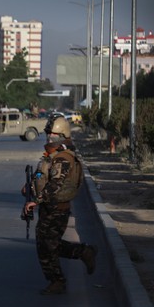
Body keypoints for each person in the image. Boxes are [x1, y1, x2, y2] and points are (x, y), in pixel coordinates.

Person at [22, 115, 97, 295]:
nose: (49, 138)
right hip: (49, 207)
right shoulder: (53, 156)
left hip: (58, 208)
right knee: (47, 244)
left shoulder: (63, 158)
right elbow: (43, 176)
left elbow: (55, 185)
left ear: (62, 135)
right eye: (48, 134)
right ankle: (83, 253)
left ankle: (59, 280)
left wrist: (35, 201)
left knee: (48, 245)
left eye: (53, 135)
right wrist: (30, 186)